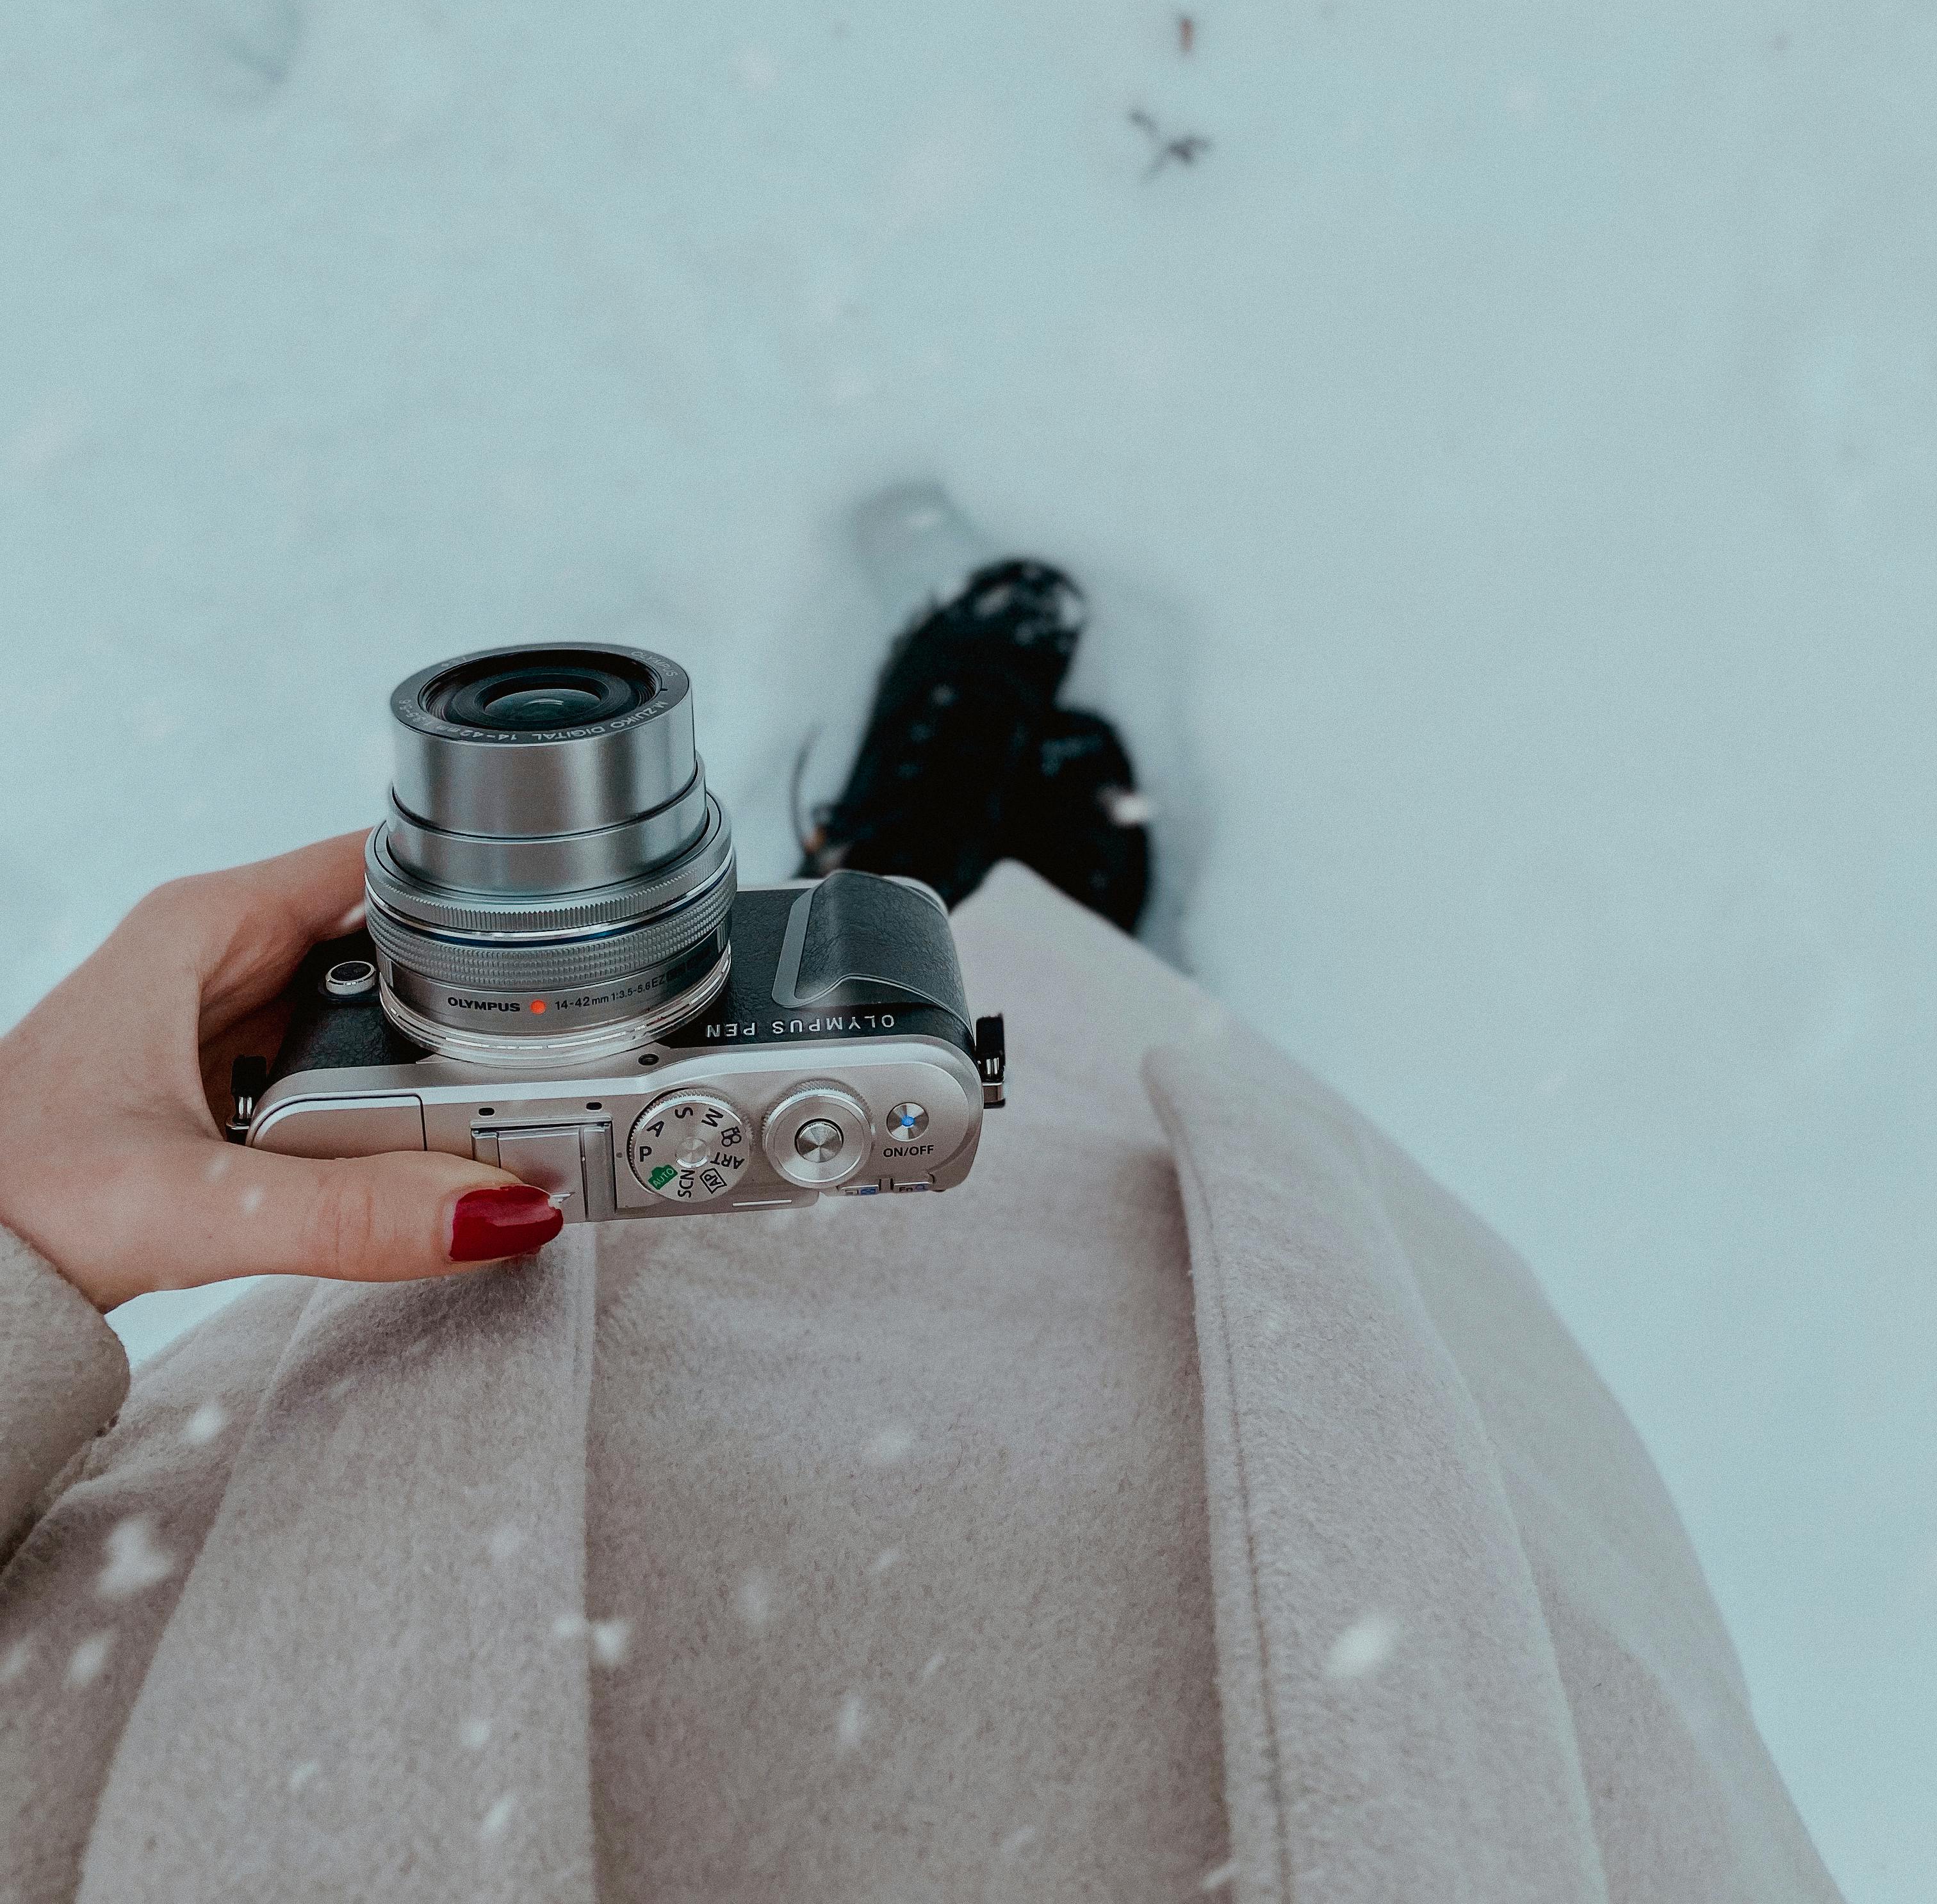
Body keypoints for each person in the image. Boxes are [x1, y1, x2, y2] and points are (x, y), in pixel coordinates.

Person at [0, 544, 1844, 1904]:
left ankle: (935, 916)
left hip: (314, 1629)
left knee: (808, 1178)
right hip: (1389, 1730)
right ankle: (1011, 930)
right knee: (1144, 1184)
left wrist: (15, 1241)